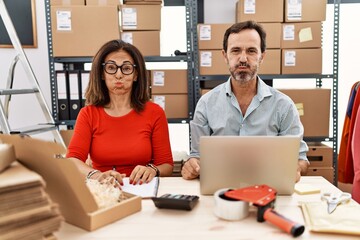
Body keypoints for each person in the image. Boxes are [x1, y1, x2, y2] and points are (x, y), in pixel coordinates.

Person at [181, 21, 309, 182]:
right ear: (225, 56)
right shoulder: (206, 104)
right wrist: (192, 165)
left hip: (269, 190)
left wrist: (294, 168)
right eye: (235, 51)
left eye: (251, 51)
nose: (243, 58)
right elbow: (197, 156)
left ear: (262, 56)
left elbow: (301, 159)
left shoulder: (284, 105)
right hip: (220, 192)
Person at [66, 39, 174, 187]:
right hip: (103, 189)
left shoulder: (155, 113)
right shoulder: (88, 114)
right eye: (111, 67)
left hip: (142, 188)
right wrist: (97, 175)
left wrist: (152, 170)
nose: (118, 75)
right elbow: (72, 159)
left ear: (136, 74)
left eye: (126, 68)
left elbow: (166, 165)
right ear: (102, 74)